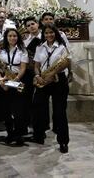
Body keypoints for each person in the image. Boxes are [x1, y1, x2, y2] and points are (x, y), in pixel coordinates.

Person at [31, 24, 70, 153]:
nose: (49, 35)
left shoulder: (62, 47)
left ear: (55, 33)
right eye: (46, 33)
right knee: (38, 107)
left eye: (51, 33)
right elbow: (36, 65)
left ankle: (63, 141)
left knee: (60, 112)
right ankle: (39, 135)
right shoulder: (39, 47)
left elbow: (65, 63)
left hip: (58, 80)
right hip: (43, 79)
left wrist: (52, 74)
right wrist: (38, 76)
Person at [0, 28, 28, 145]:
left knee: (19, 110)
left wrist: (15, 80)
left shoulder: (22, 50)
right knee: (6, 110)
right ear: (6, 37)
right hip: (5, 80)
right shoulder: (1, 51)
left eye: (14, 36)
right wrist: (3, 80)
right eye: (10, 36)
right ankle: (10, 134)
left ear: (18, 37)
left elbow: (23, 68)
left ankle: (19, 135)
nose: (12, 38)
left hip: (17, 80)